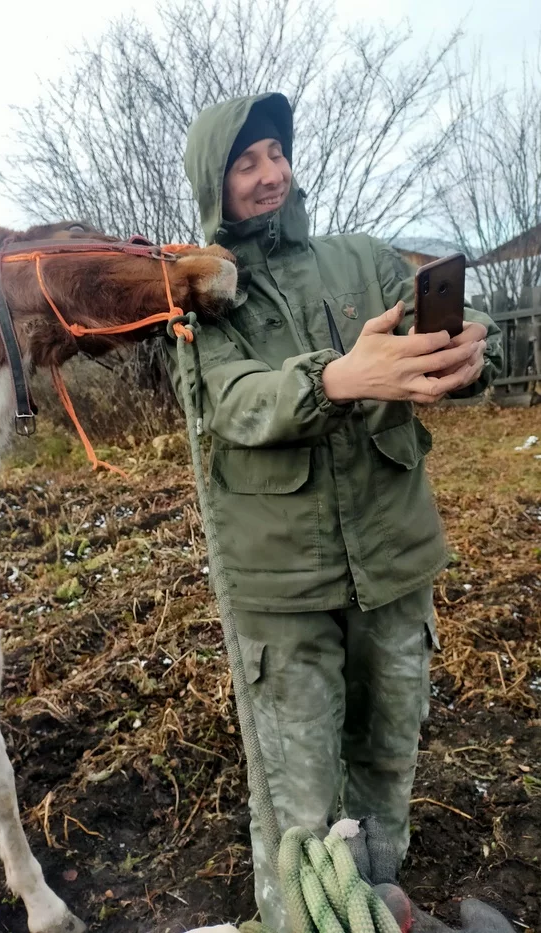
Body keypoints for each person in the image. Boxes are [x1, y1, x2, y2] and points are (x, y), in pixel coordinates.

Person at [164, 92, 503, 932]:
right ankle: (297, 921)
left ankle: (380, 910)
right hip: (283, 587)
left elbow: (452, 319)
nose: (271, 174)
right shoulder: (200, 296)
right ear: (217, 181)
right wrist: (340, 378)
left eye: (276, 152)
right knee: (300, 796)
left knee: (387, 762)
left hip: (392, 559)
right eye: (246, 163)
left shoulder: (360, 260)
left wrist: (464, 351)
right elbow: (234, 404)